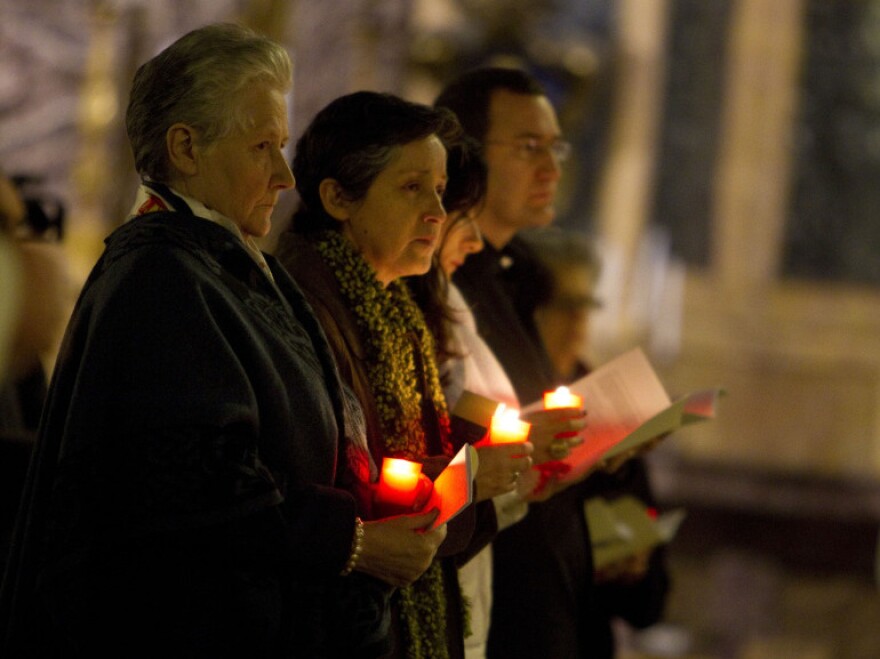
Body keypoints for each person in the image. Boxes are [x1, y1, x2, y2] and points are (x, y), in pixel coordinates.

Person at [0, 24, 445, 658]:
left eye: (283, 146)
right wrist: (355, 544)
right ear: (186, 147)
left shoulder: (218, 260)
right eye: (264, 145)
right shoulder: (159, 277)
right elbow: (189, 488)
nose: (285, 175)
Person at [275, 91, 525, 659]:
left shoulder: (400, 315)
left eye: (439, 190)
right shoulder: (302, 312)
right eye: (412, 188)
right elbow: (327, 498)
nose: (438, 213)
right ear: (339, 198)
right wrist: (468, 477)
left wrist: (480, 463)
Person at [435, 66, 598, 658]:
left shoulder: (511, 281)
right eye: (530, 148)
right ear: (465, 156)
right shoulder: (441, 291)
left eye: (556, 147)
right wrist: (527, 441)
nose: (553, 169)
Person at [522, 228, 670, 659]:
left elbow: (651, 604)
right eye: (564, 306)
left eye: (586, 305)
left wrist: (634, 573)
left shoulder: (610, 411)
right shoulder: (509, 411)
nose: (579, 322)